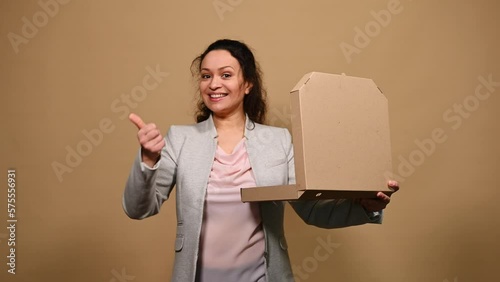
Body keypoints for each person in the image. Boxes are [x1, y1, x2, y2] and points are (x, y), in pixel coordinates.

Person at [122, 39, 399, 282]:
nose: (214, 84)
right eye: (206, 76)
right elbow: (138, 208)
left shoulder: (278, 141)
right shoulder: (180, 139)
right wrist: (148, 159)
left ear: (248, 84)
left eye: (226, 74)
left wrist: (366, 206)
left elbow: (312, 209)